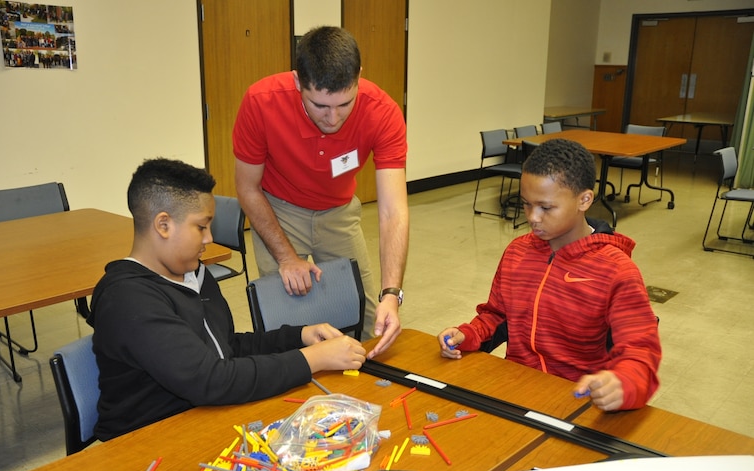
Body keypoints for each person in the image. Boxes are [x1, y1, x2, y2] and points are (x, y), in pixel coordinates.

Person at [87, 158, 366, 441]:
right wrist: (312, 359)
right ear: (163, 225)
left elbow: (227, 346)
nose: (209, 238)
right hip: (146, 442)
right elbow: (211, 380)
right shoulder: (128, 300)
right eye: (201, 227)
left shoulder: (194, 274)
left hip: (203, 420)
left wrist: (300, 336)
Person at [437, 139, 661, 411]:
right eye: (526, 204)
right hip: (516, 392)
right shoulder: (517, 252)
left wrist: (623, 383)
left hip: (578, 403)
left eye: (546, 207)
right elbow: (497, 317)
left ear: (584, 200)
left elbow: (640, 354)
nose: (533, 217)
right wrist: (468, 334)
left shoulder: (615, 270)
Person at [232, 26, 408, 359]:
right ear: (298, 81)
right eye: (320, 106)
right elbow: (247, 187)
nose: (334, 117)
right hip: (278, 210)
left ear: (359, 77)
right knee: (284, 322)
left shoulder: (381, 111)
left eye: (344, 103)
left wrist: (392, 293)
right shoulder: (261, 101)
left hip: (339, 212)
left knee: (370, 315)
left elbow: (393, 211)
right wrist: (286, 257)